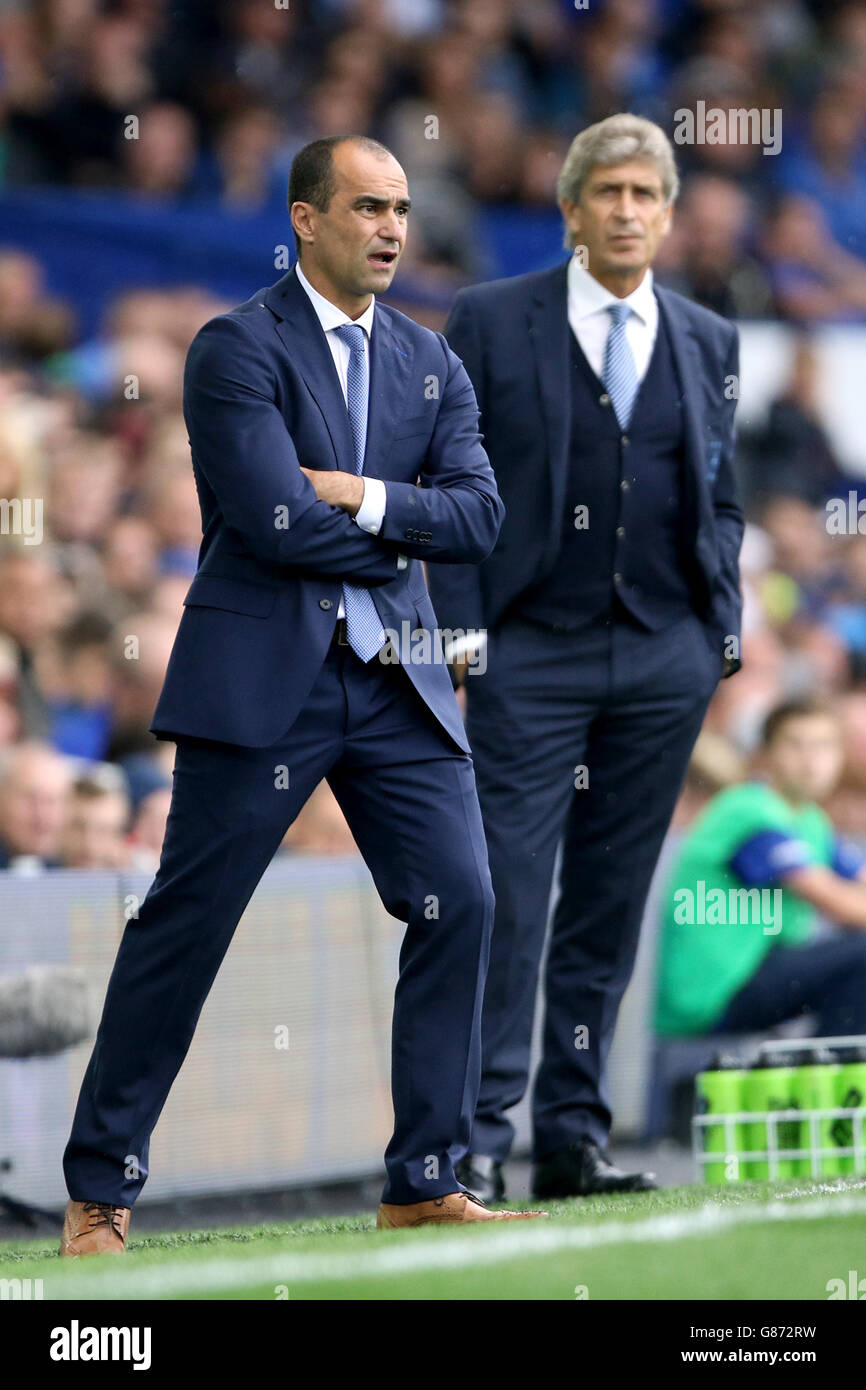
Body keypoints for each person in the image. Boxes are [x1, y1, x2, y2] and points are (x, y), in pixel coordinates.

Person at [60, 134, 546, 1257]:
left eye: (401, 209)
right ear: (304, 219)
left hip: (398, 685)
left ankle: (424, 1176)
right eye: (366, 206)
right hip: (262, 683)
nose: (389, 228)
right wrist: (393, 523)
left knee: (458, 901)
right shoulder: (233, 347)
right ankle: (99, 1190)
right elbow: (273, 517)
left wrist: (364, 496)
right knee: (186, 926)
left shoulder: (433, 363)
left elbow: (480, 516)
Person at [428, 113, 744, 1202]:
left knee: (606, 907)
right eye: (602, 192)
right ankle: (470, 1140)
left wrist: (719, 631)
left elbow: (722, 494)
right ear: (568, 210)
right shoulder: (487, 318)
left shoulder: (708, 337)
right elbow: (445, 478)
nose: (622, 211)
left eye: (642, 195)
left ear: (665, 215)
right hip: (526, 654)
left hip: (663, 659)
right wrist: (461, 633)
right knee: (505, 897)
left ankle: (571, 1139)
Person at [656, 698, 866, 1041]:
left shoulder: (811, 821)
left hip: (749, 977)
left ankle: (825, 1076)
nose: (811, 760)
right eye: (796, 745)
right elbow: (835, 901)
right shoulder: (750, 811)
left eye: (824, 746)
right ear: (767, 754)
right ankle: (827, 1082)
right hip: (709, 994)